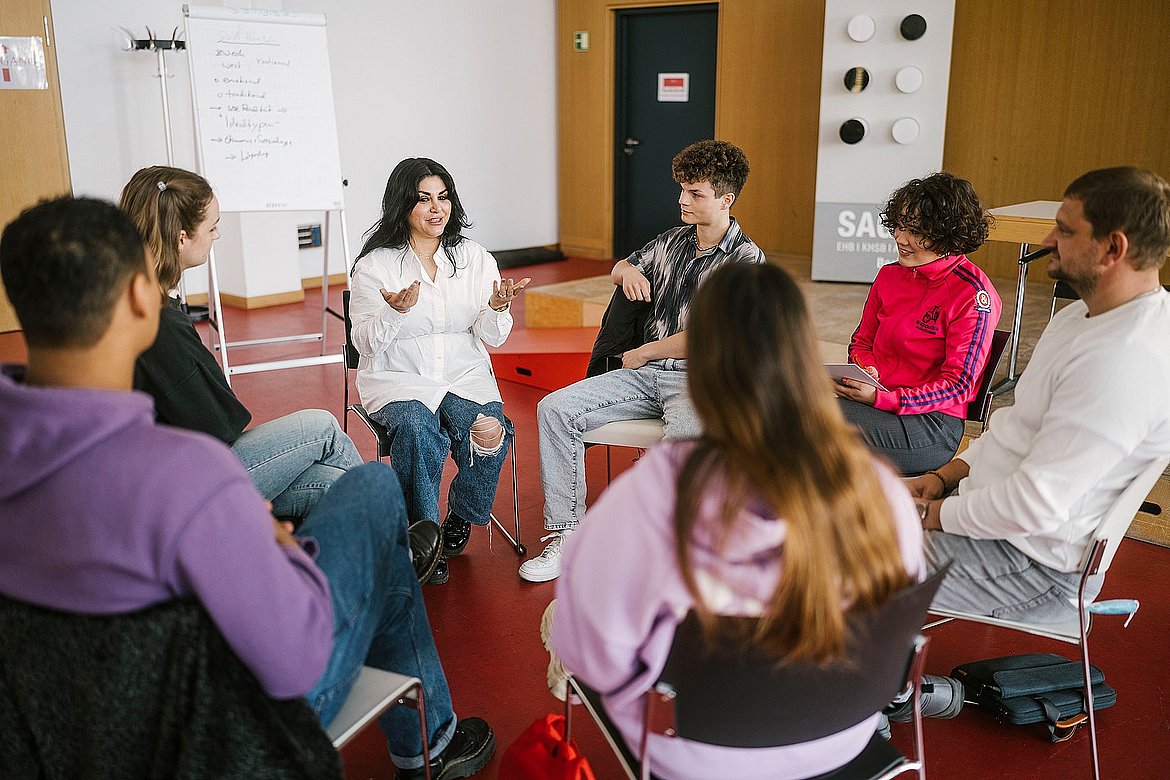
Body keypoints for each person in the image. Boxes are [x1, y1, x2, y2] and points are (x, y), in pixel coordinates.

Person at [0, 196, 495, 780]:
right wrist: (283, 553)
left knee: (359, 509)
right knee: (374, 489)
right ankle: (428, 742)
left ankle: (427, 727)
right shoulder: (188, 476)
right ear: (140, 296)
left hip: (75, 730)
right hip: (215, 733)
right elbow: (294, 661)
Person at [549, 262, 925, 779]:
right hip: (841, 735)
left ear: (701, 364)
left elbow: (593, 657)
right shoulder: (880, 489)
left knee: (561, 623)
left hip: (697, 753)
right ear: (805, 358)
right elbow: (898, 613)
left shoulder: (650, 498)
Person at [908, 166, 1170, 626]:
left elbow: (1033, 505)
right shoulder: (1080, 316)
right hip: (998, 532)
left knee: (833, 557)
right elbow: (1015, 425)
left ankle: (885, 692)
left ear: (1113, 248)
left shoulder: (1125, 359)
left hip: (1034, 568)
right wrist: (945, 476)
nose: (1048, 238)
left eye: (1065, 230)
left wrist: (929, 515)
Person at [520, 139, 766, 583]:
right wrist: (626, 270)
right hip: (645, 377)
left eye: (695, 194)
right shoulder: (672, 240)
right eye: (682, 190)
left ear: (726, 199)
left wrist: (642, 352)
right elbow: (622, 267)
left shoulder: (746, 260)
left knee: (686, 445)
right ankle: (566, 535)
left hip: (699, 379)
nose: (682, 200)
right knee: (553, 408)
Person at [120, 166, 363, 524]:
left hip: (165, 475)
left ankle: (388, 547)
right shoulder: (162, 325)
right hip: (187, 490)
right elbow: (220, 428)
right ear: (182, 237)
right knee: (324, 428)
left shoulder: (132, 300)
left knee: (333, 483)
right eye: (212, 226)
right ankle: (400, 542)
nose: (217, 235)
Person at [349, 158, 528, 585]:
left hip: (463, 371)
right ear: (402, 205)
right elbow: (366, 344)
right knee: (415, 430)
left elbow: (492, 336)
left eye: (443, 197)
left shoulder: (473, 257)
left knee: (489, 431)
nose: (436, 208)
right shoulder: (376, 266)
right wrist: (394, 313)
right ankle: (422, 538)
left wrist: (498, 307)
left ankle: (460, 515)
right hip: (398, 376)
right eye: (423, 198)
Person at [834, 171, 1002, 475]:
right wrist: (866, 370)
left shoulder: (973, 294)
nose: (900, 238)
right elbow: (861, 342)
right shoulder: (889, 275)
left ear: (946, 233)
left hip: (930, 426)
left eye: (914, 230)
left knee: (809, 427)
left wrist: (883, 397)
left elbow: (958, 385)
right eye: (899, 226)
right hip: (876, 403)